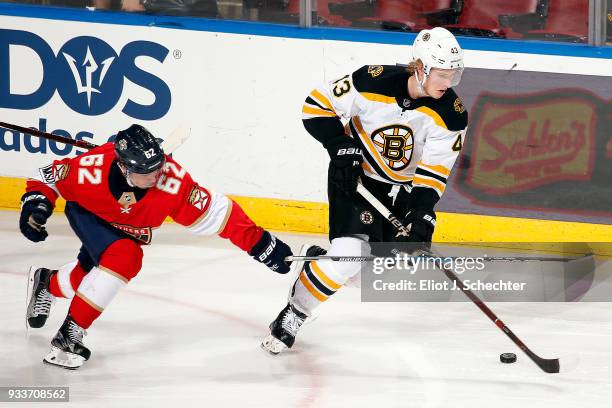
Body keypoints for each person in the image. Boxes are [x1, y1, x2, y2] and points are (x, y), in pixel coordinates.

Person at [261, 27, 468, 354]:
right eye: (443, 74)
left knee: (385, 270)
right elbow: (315, 107)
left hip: (400, 192)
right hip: (354, 176)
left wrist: (422, 214)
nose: (449, 83)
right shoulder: (371, 81)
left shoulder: (451, 115)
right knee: (350, 256)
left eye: (454, 75)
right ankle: (295, 311)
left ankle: (319, 266)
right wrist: (340, 145)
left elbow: (433, 172)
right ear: (420, 67)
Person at [21, 124, 293, 369]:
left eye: (157, 167)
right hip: (89, 214)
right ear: (124, 168)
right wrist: (37, 205)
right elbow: (46, 176)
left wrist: (263, 245)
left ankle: (49, 283)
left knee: (91, 276)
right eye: (145, 172)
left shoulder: (171, 182)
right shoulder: (89, 171)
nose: (155, 176)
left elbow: (220, 214)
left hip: (122, 226)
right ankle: (67, 337)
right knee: (124, 258)